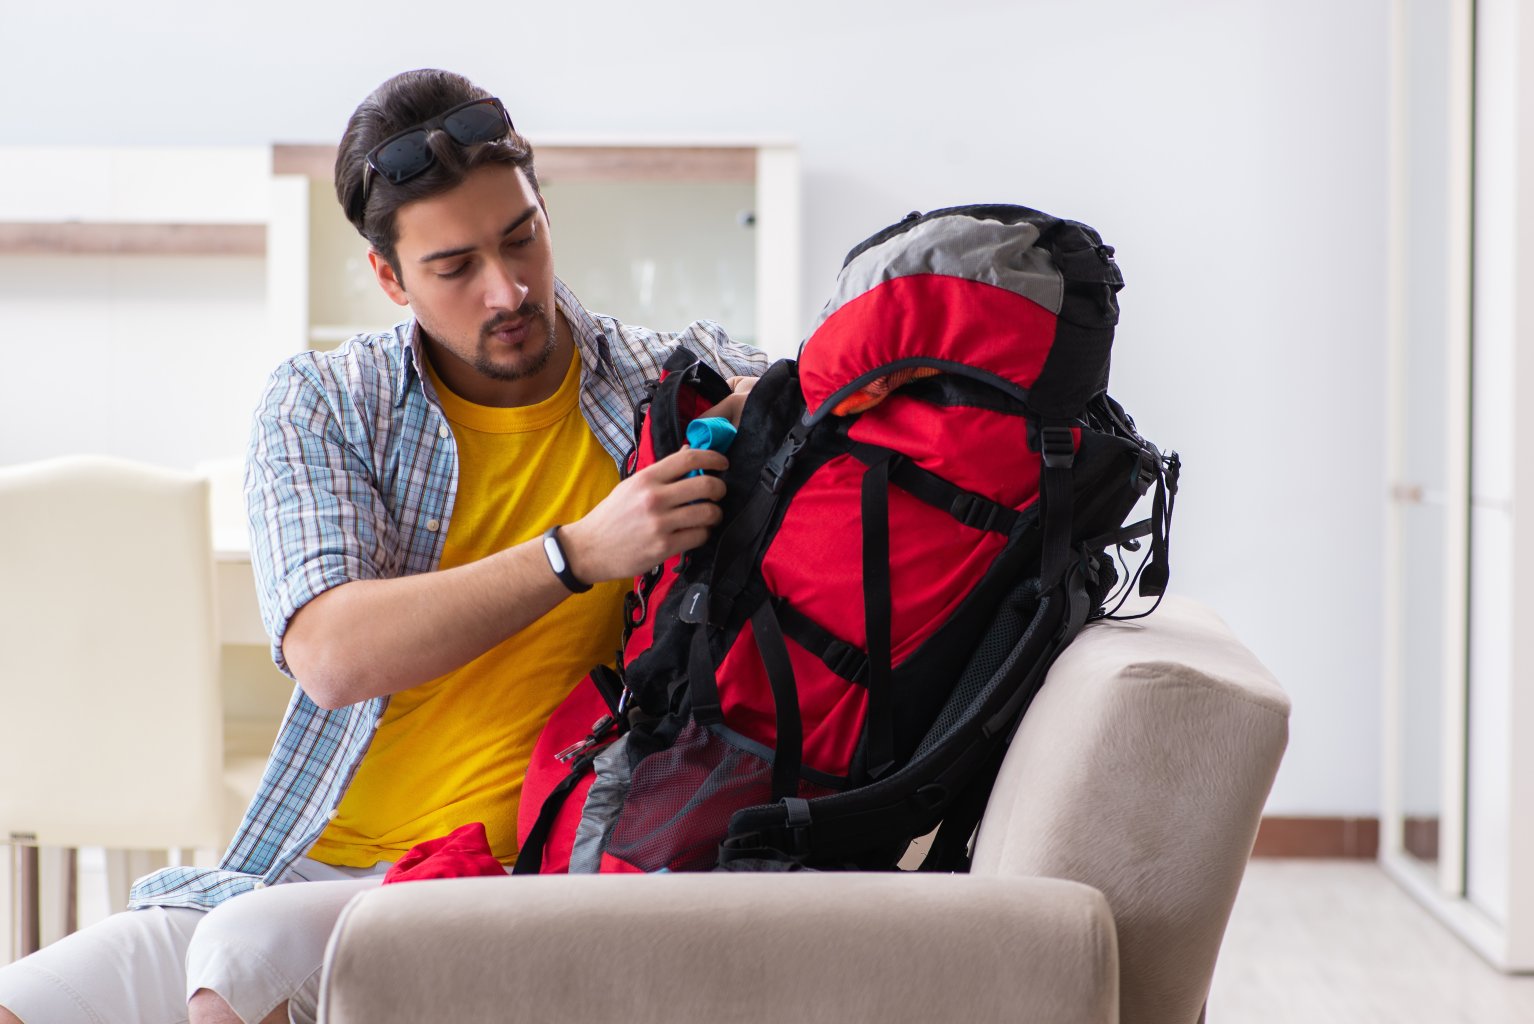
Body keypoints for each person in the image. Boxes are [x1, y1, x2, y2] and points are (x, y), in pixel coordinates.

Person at [0, 68, 767, 1024]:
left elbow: (853, 393)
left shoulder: (667, 378)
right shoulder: (325, 404)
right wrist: (576, 552)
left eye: (522, 236)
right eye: (455, 268)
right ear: (389, 277)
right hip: (297, 862)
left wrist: (773, 417)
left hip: (502, 875)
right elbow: (330, 655)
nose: (510, 289)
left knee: (239, 967)